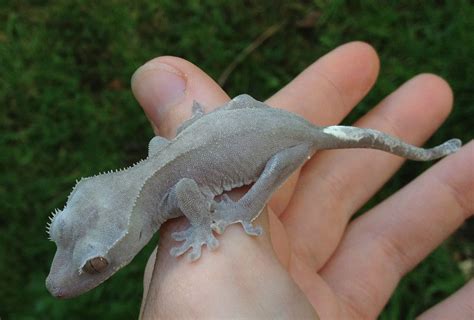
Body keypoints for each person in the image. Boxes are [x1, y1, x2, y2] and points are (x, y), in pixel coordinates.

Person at [131, 42, 473, 319]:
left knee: (265, 177)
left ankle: (245, 209)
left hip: (286, 140)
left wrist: (238, 210)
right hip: (264, 123)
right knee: (242, 105)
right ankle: (427, 153)